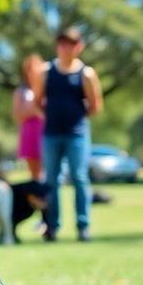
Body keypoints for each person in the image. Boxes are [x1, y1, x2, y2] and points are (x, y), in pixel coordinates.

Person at [31, 26, 104, 242]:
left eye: (70, 44)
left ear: (79, 47)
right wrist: (51, 116)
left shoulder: (86, 74)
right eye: (62, 43)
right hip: (51, 134)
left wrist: (77, 118)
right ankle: (51, 227)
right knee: (51, 180)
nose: (65, 48)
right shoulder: (46, 71)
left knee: (80, 178)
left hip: (77, 135)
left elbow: (95, 104)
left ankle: (83, 226)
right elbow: (37, 102)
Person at [13, 54, 47, 180]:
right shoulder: (21, 91)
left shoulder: (49, 89)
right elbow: (17, 115)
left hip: (47, 132)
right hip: (30, 134)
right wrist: (35, 108)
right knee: (34, 174)